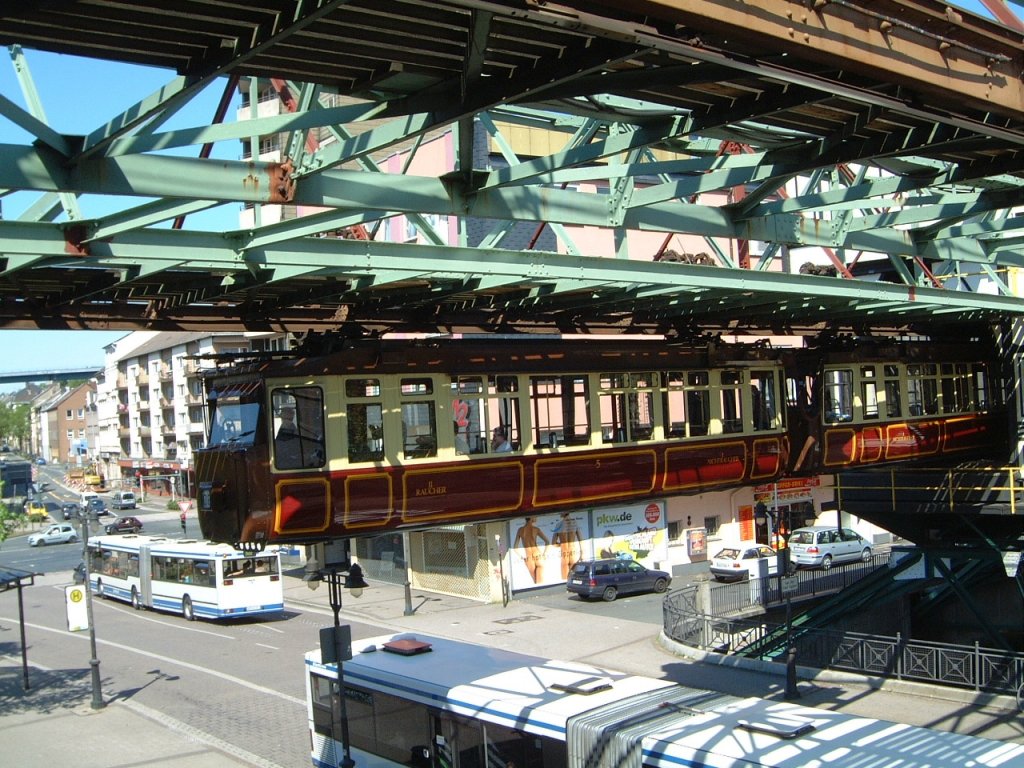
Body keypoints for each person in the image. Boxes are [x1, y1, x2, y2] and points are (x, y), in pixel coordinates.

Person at [513, 517, 550, 584]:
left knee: (536, 582)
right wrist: (544, 554)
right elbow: (547, 542)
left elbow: (515, 547)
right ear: (532, 518)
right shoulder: (536, 529)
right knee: (540, 582)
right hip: (538, 555)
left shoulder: (520, 530)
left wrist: (522, 557)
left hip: (529, 557)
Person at [552, 510, 582, 580]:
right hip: (573, 553)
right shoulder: (575, 523)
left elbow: (553, 543)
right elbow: (581, 540)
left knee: (564, 580)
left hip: (564, 554)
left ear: (564, 512)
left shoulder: (559, 525)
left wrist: (561, 544)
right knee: (574, 579)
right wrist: (582, 554)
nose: (559, 513)